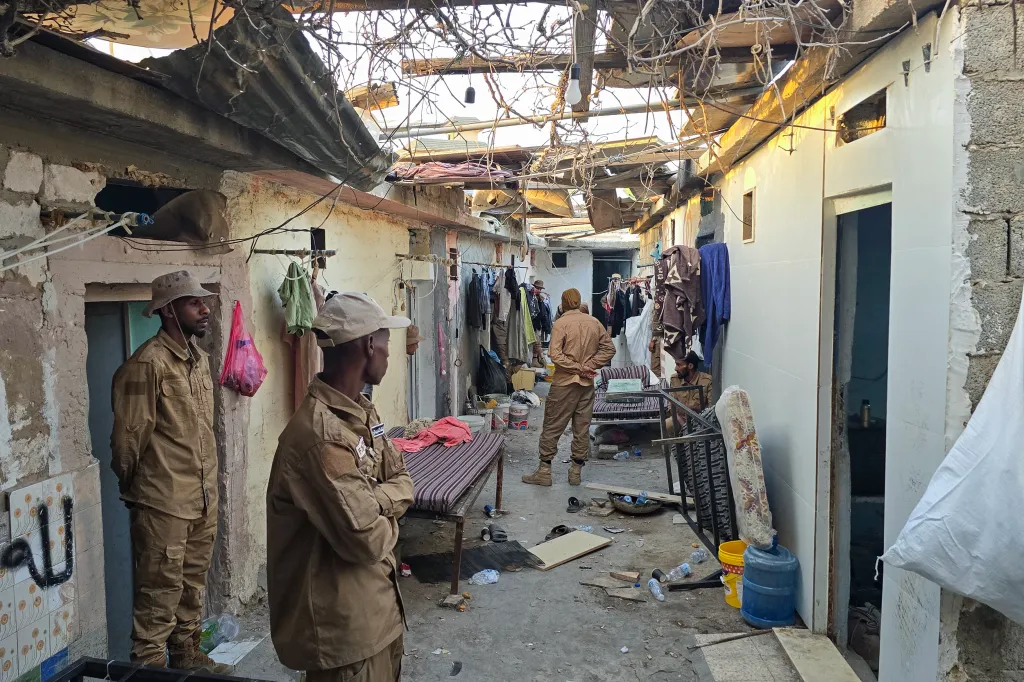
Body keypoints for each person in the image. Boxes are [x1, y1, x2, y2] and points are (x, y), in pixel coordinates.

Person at [266, 292, 414, 682]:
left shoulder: (361, 410)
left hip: (378, 613)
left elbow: (402, 478)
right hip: (345, 636)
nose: (388, 352)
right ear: (369, 346)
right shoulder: (321, 438)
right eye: (385, 342)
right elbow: (366, 540)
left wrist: (375, 500)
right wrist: (388, 507)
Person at [110, 271, 229, 673]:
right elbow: (128, 442)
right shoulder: (147, 364)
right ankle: (149, 672)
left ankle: (188, 659)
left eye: (203, 301)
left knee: (191, 589)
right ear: (167, 311)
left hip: (202, 501)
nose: (205, 308)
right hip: (164, 505)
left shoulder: (199, 362)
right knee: (158, 597)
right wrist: (142, 493)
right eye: (193, 302)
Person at [523, 288, 615, 487]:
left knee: (552, 426)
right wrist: (589, 366)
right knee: (581, 428)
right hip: (586, 385)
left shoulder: (561, 323)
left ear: (564, 303)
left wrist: (578, 368)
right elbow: (609, 348)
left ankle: (544, 472)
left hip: (564, 383)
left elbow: (555, 355)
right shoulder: (594, 322)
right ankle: (575, 473)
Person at [665, 351, 713, 433]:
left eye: (679, 365)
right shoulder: (674, 379)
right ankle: (678, 445)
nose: (675, 368)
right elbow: (671, 407)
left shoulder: (707, 380)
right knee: (668, 423)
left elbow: (711, 408)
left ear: (690, 366)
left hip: (701, 420)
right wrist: (684, 425)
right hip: (681, 419)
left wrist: (696, 409)